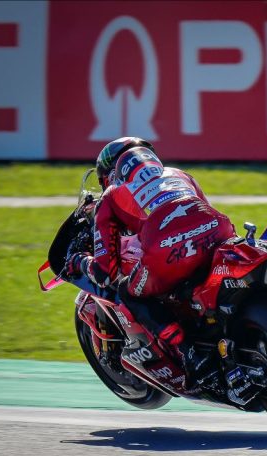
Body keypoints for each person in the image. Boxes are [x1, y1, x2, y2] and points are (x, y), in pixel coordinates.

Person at [66, 137, 236, 388]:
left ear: (112, 175)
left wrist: (80, 261)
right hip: (218, 230)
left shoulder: (112, 196)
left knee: (128, 292)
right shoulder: (179, 174)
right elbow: (203, 208)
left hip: (167, 252)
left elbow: (105, 273)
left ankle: (190, 352)